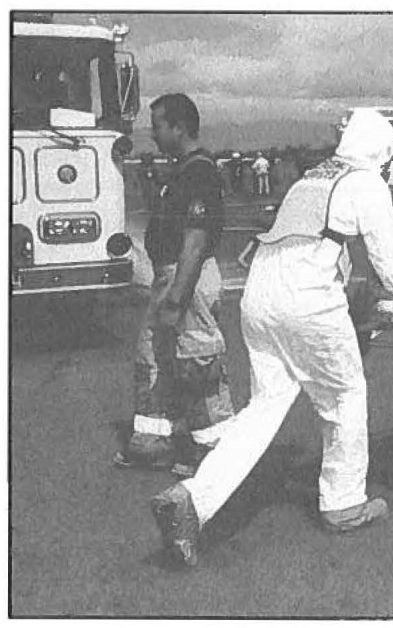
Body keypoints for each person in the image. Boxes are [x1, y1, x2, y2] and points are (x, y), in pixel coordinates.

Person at [149, 109, 393, 567]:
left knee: (263, 409)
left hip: (260, 299)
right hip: (306, 302)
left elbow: (321, 240)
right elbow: (387, 254)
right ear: (380, 151)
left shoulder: (313, 176)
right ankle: (344, 502)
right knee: (345, 397)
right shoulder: (365, 181)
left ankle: (192, 499)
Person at [115, 93, 236, 478]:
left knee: (197, 361)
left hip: (188, 275)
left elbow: (196, 240)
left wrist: (177, 297)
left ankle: (216, 448)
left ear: (179, 127)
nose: (152, 133)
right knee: (154, 356)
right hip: (169, 273)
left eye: (158, 125)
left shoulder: (200, 171)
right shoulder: (182, 169)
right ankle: (153, 442)